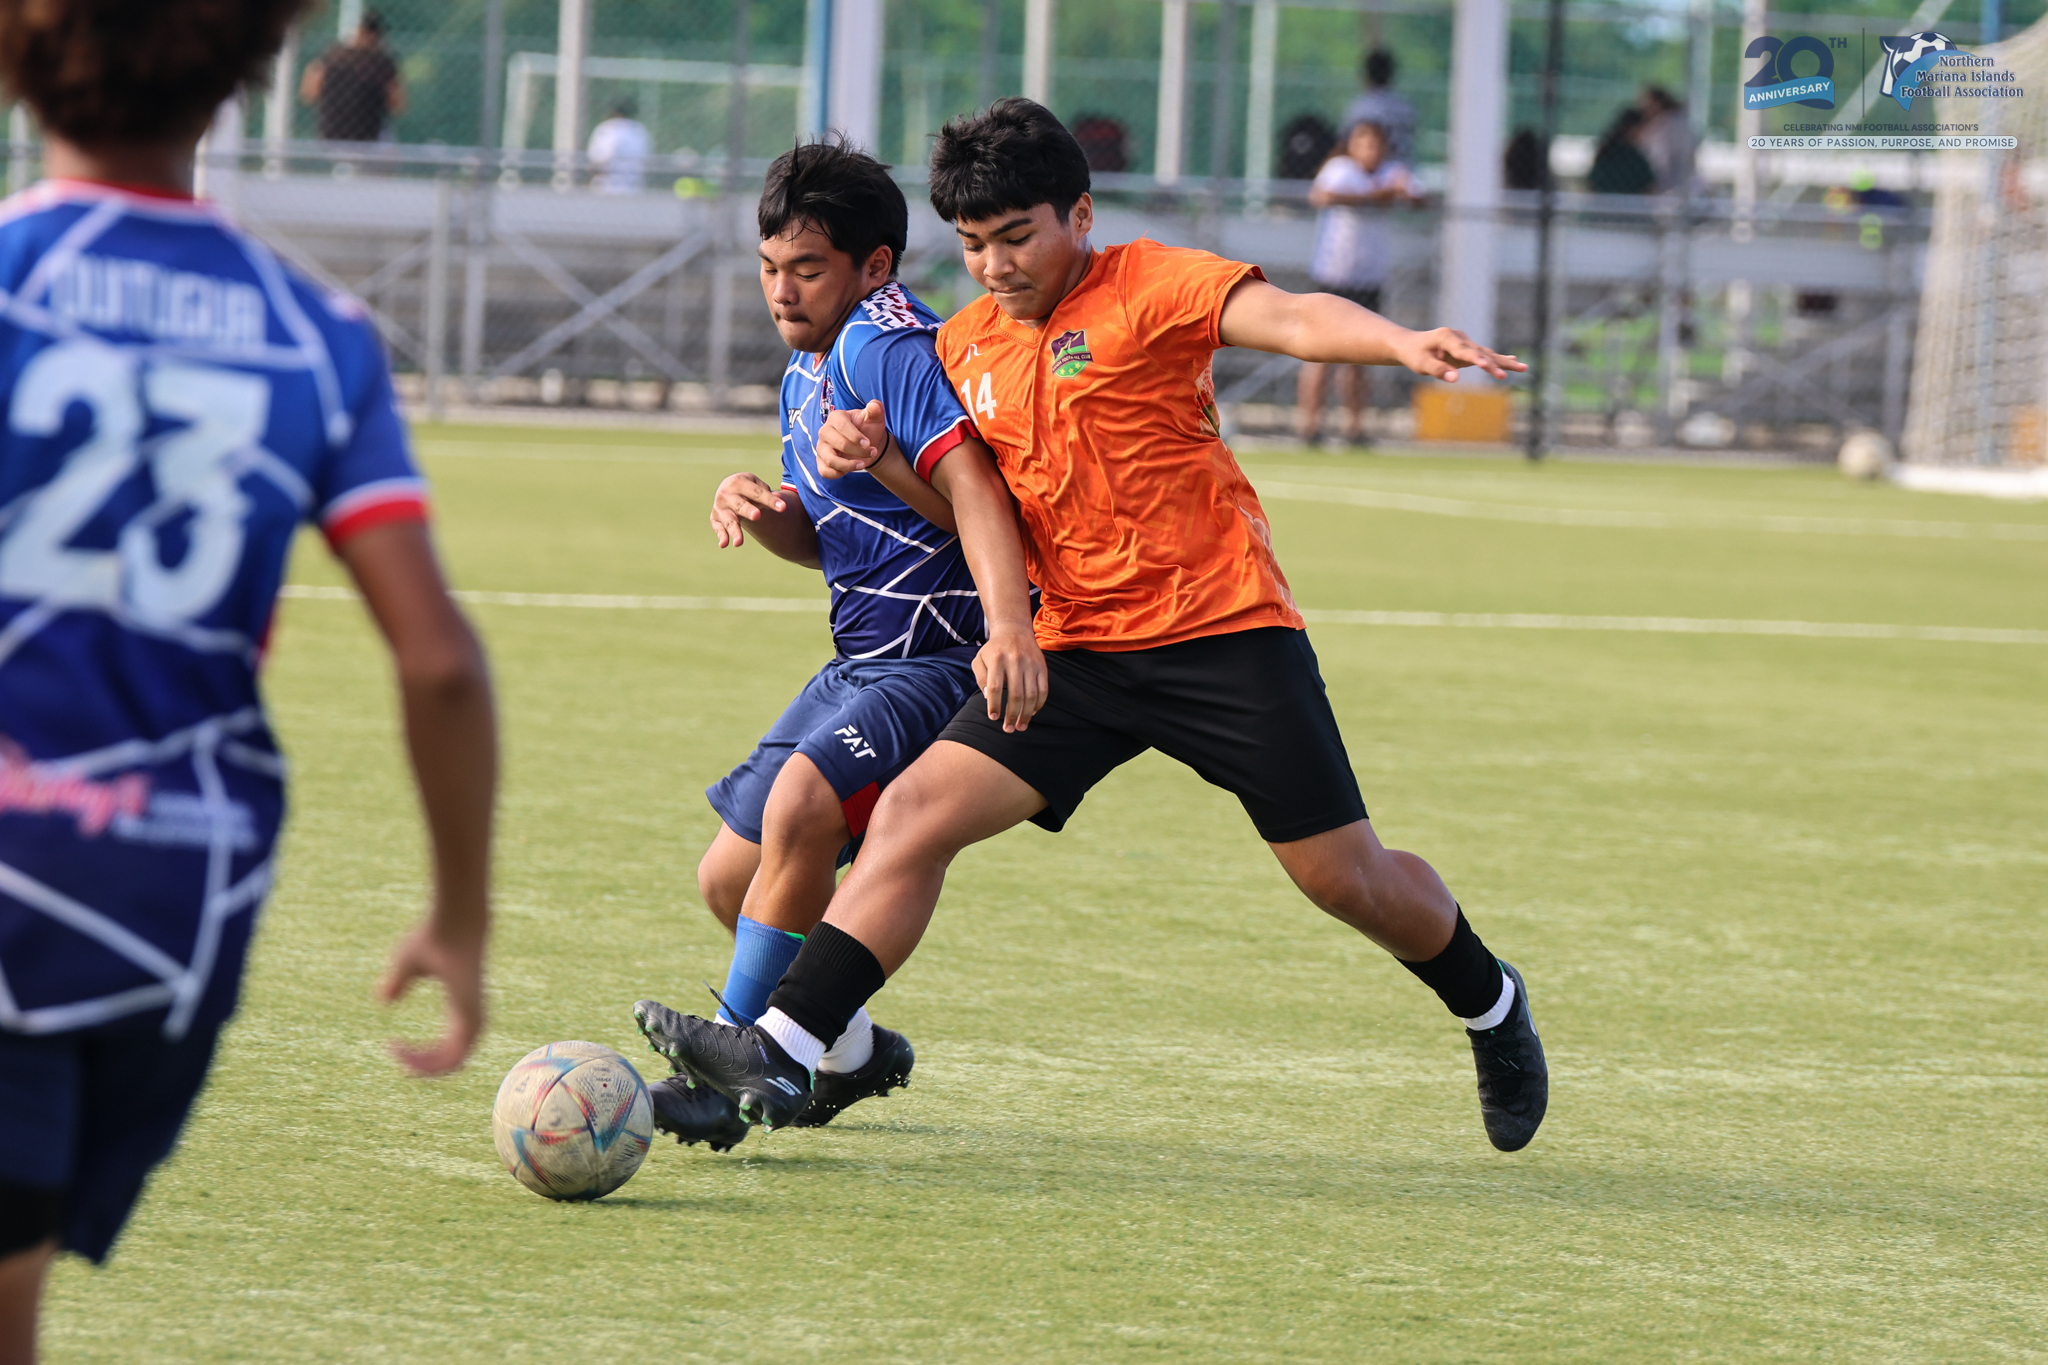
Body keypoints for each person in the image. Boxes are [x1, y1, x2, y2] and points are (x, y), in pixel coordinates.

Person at [644, 98, 1549, 1156]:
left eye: (1017, 238)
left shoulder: (1151, 286)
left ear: (1078, 214)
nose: (994, 268)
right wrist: (901, 492)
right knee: (912, 817)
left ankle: (1488, 1002)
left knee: (1342, 878)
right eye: (973, 246)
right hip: (1073, 647)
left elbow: (1298, 320)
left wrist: (1400, 343)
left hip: (1220, 635)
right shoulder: (966, 342)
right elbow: (963, 502)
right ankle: (787, 1047)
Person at [0, 0, 496, 1358]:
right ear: (243, 77)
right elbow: (439, 660)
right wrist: (458, 914)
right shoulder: (311, 335)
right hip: (172, 890)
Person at [629, 139, 1039, 1149]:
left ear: (874, 267)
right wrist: (761, 511)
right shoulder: (806, 370)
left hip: (939, 657)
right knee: (728, 880)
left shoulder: (883, 346)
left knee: (806, 808)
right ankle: (847, 1050)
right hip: (858, 659)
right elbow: (827, 542)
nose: (782, 290)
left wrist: (1009, 632)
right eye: (770, 268)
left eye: (805, 269)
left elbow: (975, 501)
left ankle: (728, 1073)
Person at [1296, 120, 1421, 447]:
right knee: (1318, 354)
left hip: (1368, 279)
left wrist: (1400, 192)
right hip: (1333, 275)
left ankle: (1354, 428)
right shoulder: (1340, 169)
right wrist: (1382, 194)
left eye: (1376, 144)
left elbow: (1418, 198)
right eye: (1363, 143)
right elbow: (1328, 196)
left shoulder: (1393, 171)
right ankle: (1309, 426)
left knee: (1360, 357)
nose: (1370, 151)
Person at [300, 8, 405, 144]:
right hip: (369, 139)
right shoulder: (382, 62)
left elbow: (308, 94)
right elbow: (398, 105)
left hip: (328, 135)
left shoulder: (329, 57)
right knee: (388, 133)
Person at [1342, 48, 1415, 168]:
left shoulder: (1362, 106)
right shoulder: (1405, 106)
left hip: (1375, 171)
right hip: (1404, 165)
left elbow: (1345, 138)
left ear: (1367, 74)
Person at [1635, 86, 1695, 196]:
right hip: (1677, 185)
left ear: (1658, 103)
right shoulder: (1673, 123)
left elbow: (1661, 161)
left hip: (1668, 186)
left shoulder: (1667, 126)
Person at [587, 98, 651, 194]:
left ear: (613, 112)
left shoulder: (605, 128)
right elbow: (646, 158)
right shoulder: (639, 130)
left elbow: (597, 158)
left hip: (605, 187)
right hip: (633, 187)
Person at [1586, 106, 1654, 196]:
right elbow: (1649, 187)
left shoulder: (1607, 151)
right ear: (1633, 129)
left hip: (1602, 204)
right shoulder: (1632, 157)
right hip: (1628, 207)